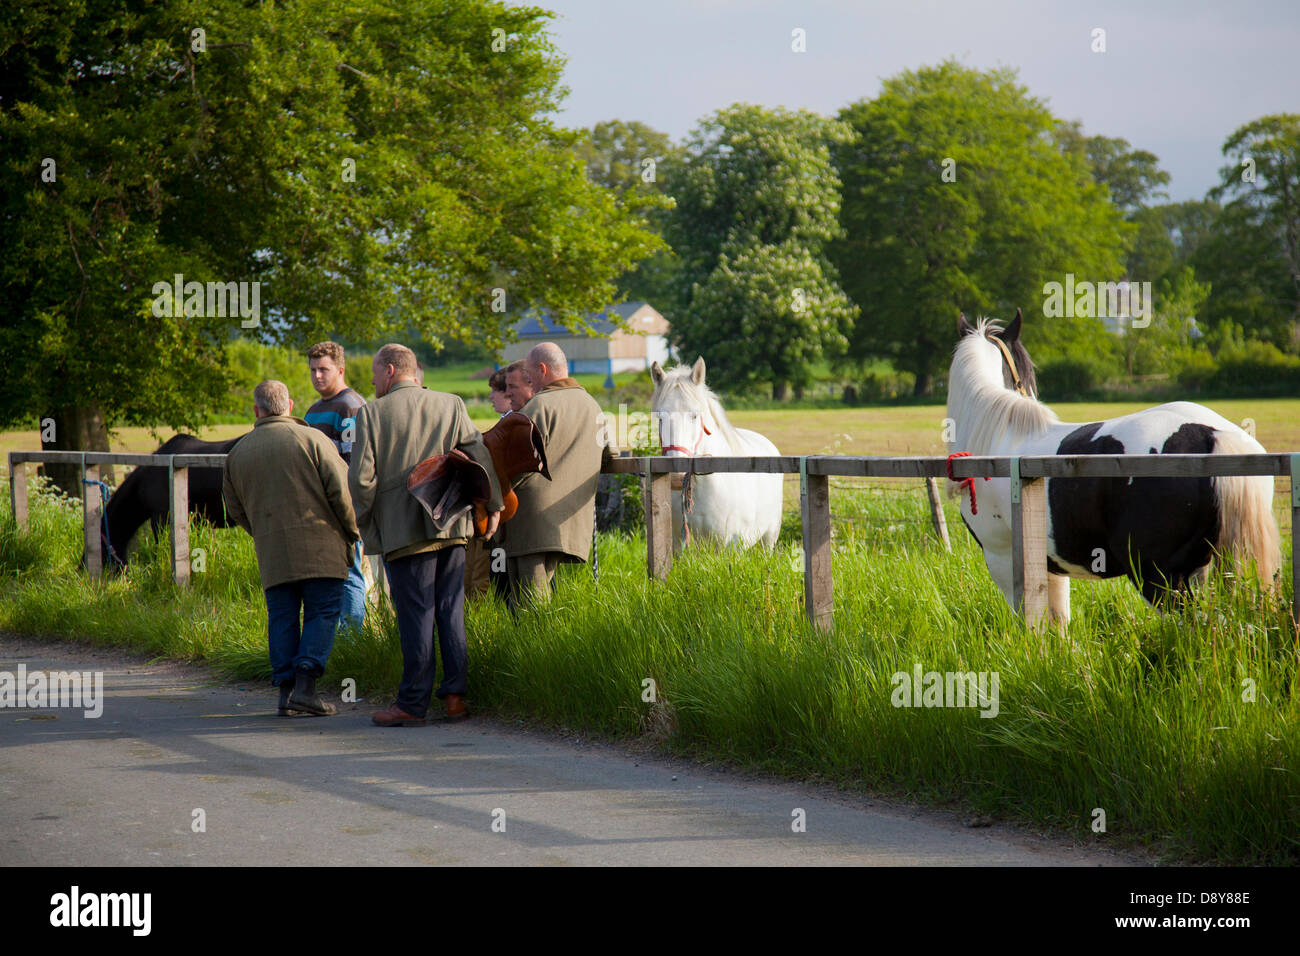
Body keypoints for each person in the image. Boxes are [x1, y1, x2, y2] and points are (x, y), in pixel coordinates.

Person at [349, 344, 504, 727]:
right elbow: (479, 455)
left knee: (416, 615)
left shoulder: (371, 413)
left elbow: (362, 479)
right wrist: (494, 504)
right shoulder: (451, 404)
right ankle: (454, 698)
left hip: (404, 532)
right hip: (451, 524)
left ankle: (412, 704)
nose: (371, 381)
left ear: (389, 371)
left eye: (373, 373)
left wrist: (365, 520)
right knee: (451, 610)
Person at [222, 380, 359, 717]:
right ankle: (307, 688)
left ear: (257, 410)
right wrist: (353, 532)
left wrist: (262, 532)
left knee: (282, 616)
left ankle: (285, 693)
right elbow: (342, 493)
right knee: (322, 612)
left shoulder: (238, 452)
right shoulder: (315, 440)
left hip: (273, 551)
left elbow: (234, 507)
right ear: (291, 405)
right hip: (322, 547)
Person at [506, 343, 616, 607]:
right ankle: (549, 645)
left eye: (530, 375)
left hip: (530, 521)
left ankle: (536, 648)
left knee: (530, 603)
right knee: (545, 597)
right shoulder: (592, 405)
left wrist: (495, 499)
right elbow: (609, 457)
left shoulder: (538, 407)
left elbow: (514, 465)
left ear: (542, 369)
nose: (529, 381)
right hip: (570, 519)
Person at [304, 341, 368, 629]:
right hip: (317, 508)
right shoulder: (313, 410)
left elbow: (353, 464)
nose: (318, 376)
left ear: (340, 370)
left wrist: (349, 510)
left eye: (324, 370)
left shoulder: (350, 406)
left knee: (349, 572)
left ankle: (353, 638)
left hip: (344, 505)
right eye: (313, 370)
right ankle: (332, 638)